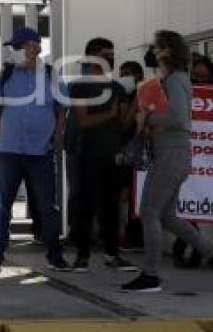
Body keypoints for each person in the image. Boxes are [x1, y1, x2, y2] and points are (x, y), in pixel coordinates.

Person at [122, 30, 213, 292]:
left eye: (157, 47)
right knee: (168, 217)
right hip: (173, 155)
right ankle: (209, 251)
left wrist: (148, 120)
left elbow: (179, 118)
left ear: (168, 51)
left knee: (150, 212)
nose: (152, 51)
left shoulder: (175, 80)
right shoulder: (173, 79)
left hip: (171, 155)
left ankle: (150, 276)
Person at [0, 27, 70, 273]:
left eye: (19, 46)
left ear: (34, 47)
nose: (15, 51)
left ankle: (55, 255)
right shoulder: (7, 72)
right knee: (2, 205)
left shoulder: (51, 75)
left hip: (40, 151)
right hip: (9, 149)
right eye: (14, 48)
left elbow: (61, 107)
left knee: (47, 206)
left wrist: (58, 136)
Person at [67, 38, 136, 272]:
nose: (112, 58)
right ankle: (82, 256)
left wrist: (139, 102)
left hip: (113, 156)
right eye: (108, 54)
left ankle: (112, 254)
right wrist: (111, 114)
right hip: (88, 154)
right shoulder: (79, 86)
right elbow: (84, 121)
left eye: (113, 54)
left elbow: (124, 124)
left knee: (111, 208)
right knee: (86, 206)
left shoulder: (118, 88)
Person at [170, 53, 213, 268]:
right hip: (187, 157)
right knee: (188, 207)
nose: (199, 83)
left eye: (204, 79)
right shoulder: (180, 94)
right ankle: (187, 250)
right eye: (195, 78)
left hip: (208, 161)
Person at [116, 60, 145, 254]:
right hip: (126, 152)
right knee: (125, 195)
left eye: (127, 74)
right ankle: (127, 235)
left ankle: (135, 238)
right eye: (122, 74)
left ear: (138, 76)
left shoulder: (144, 95)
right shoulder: (122, 95)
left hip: (141, 153)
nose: (124, 78)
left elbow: (126, 125)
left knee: (136, 195)